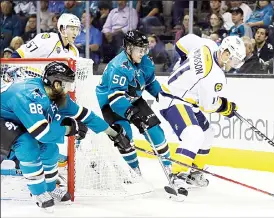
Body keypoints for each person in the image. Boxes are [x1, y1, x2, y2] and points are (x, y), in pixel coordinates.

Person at [0, 62, 131, 210]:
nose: (69, 89)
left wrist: (113, 133)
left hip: (18, 119)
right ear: (56, 83)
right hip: (2, 120)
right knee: (28, 146)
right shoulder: (29, 95)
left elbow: (86, 115)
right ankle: (38, 193)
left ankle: (49, 188)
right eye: (67, 84)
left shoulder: (55, 94)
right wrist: (70, 129)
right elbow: (42, 133)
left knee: (51, 149)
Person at [157, 36, 246, 198]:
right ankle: (177, 176)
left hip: (187, 100)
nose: (234, 65)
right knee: (194, 134)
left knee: (207, 133)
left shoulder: (207, 44)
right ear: (226, 53)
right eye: (234, 60)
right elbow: (209, 105)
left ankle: (194, 173)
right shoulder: (215, 77)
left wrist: (185, 66)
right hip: (173, 98)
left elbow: (182, 43)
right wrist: (227, 108)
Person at [95, 30, 171, 176]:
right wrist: (132, 114)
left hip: (134, 99)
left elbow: (150, 83)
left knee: (155, 131)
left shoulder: (146, 62)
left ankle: (169, 169)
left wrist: (162, 96)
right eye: (139, 49)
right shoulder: (119, 66)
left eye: (144, 49)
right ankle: (134, 171)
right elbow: (115, 99)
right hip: (112, 104)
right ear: (129, 48)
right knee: (125, 136)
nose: (142, 53)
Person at [11, 13, 80, 58]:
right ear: (62, 29)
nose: (75, 33)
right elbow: (18, 54)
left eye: (77, 29)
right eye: (72, 29)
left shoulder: (74, 51)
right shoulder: (47, 40)